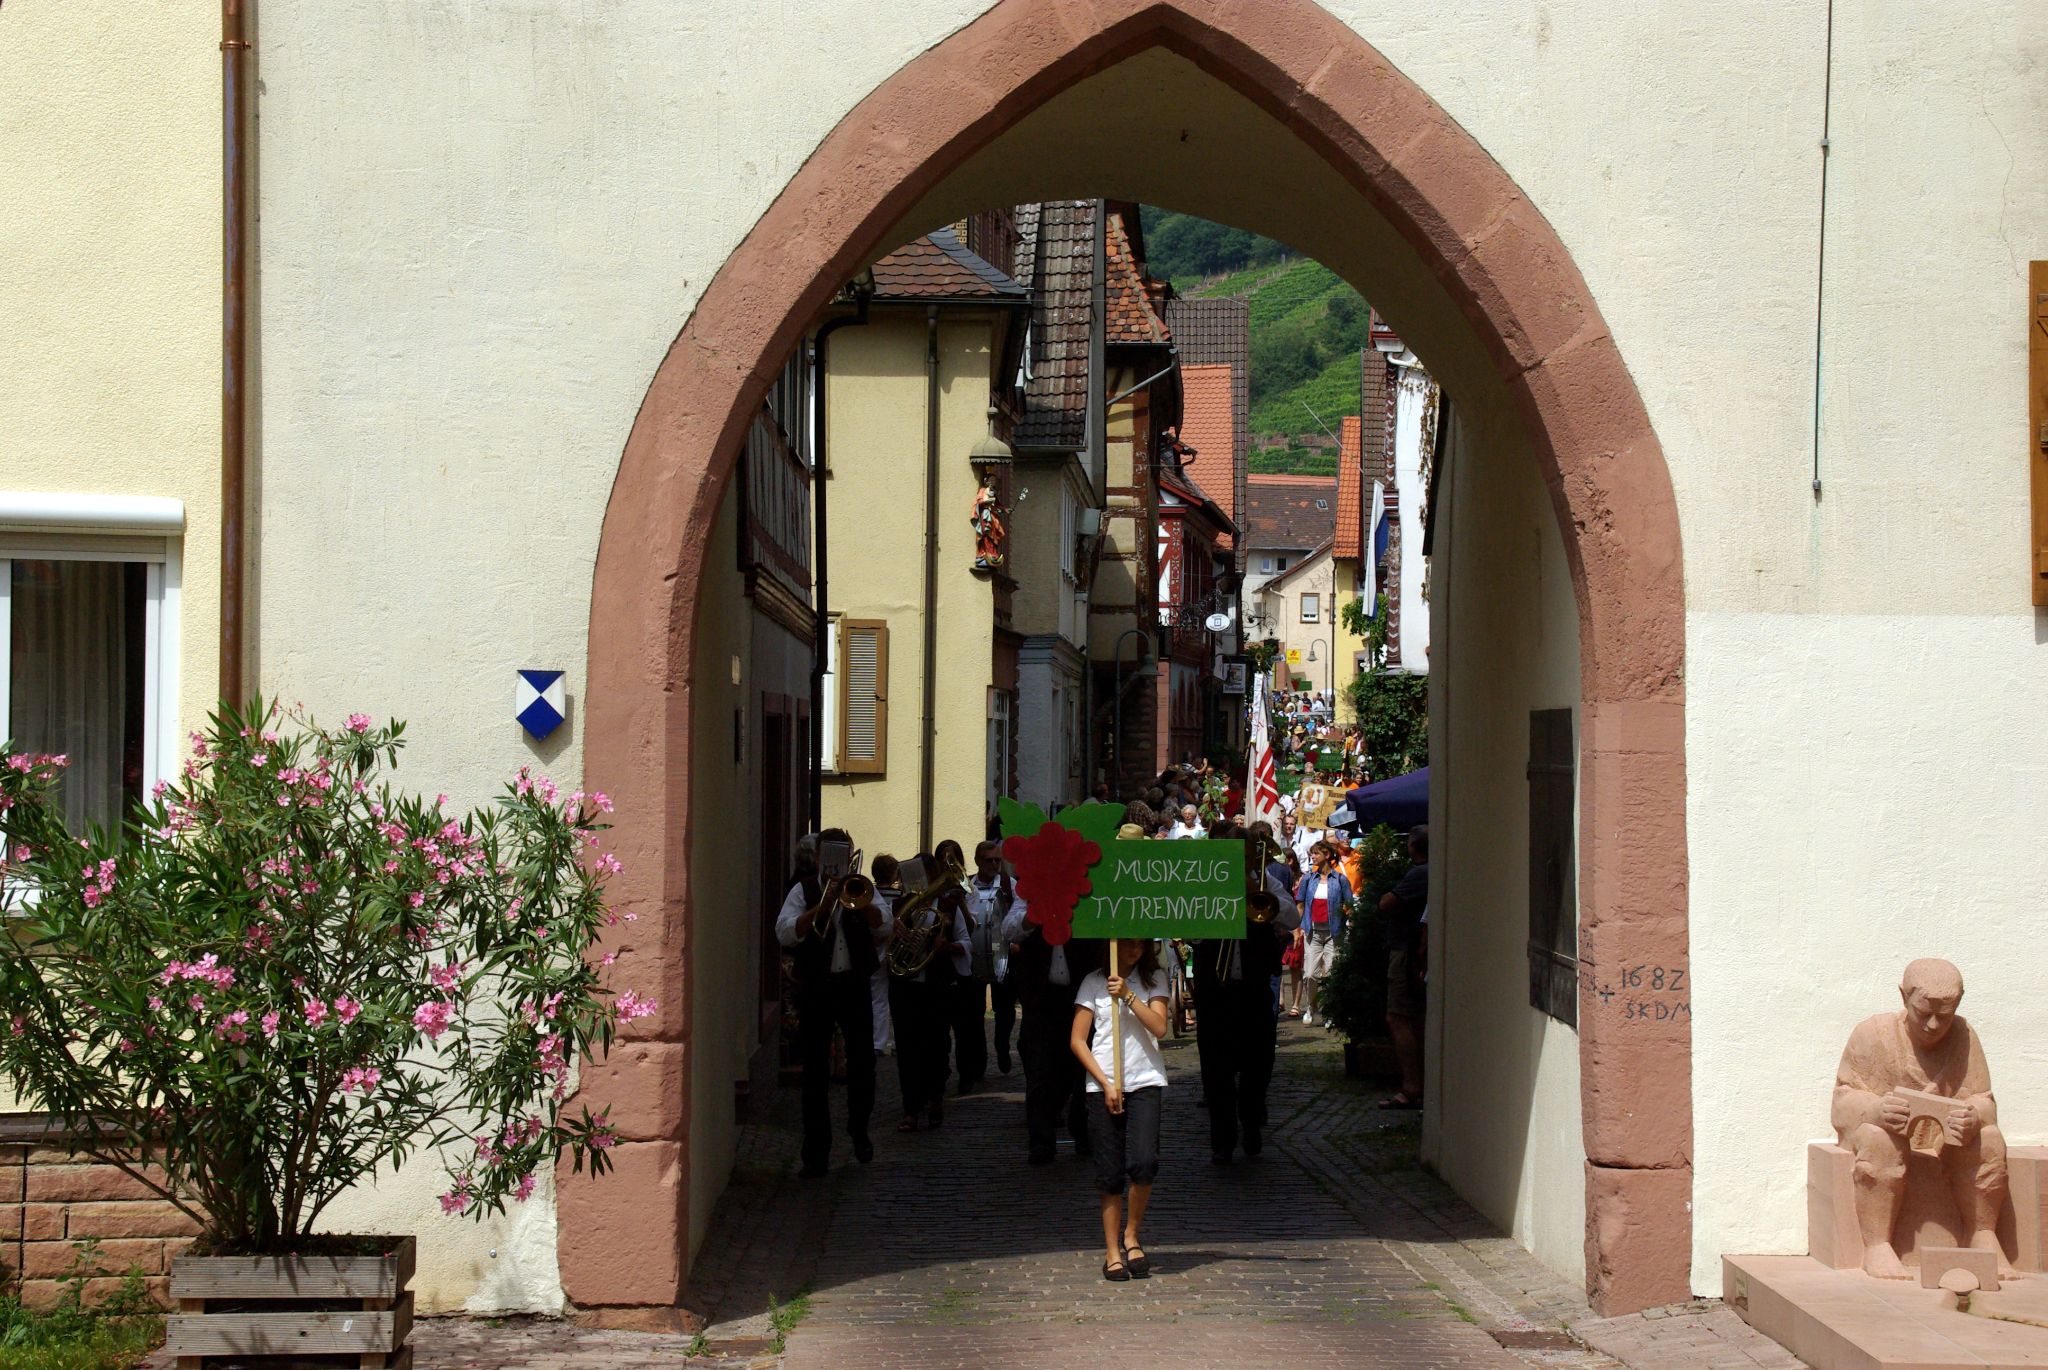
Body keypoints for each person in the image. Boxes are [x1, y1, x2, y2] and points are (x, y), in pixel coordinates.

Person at [1833, 958, 2009, 1279]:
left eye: (1944, 1016)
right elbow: (1843, 1100)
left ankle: (1982, 1231)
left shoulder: (1964, 1038)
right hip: (1886, 1138)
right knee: (1878, 1139)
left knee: (1990, 1138)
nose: (1932, 1025)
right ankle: (1877, 1245)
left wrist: (1973, 1116)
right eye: (1923, 1013)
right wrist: (1876, 1110)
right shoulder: (1872, 1035)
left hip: (1944, 1142)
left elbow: (1984, 1101)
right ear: (1904, 998)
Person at [775, 830, 882, 1175]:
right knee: (815, 1071)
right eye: (830, 856)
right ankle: (816, 1152)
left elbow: (885, 926)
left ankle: (859, 1129)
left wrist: (860, 904)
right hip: (817, 987)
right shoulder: (803, 889)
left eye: (843, 855)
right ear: (819, 858)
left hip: (854, 985)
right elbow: (784, 931)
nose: (835, 863)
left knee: (863, 1062)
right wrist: (821, 906)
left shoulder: (861, 886)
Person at [1192, 834, 1299, 1165]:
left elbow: (1293, 920)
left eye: (1245, 857)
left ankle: (1251, 1123)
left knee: (1258, 1065)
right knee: (1216, 1069)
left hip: (1253, 991)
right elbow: (1192, 934)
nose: (1240, 863)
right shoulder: (1204, 886)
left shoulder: (1265, 883)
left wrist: (1256, 891)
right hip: (1215, 993)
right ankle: (1222, 1141)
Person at [1071, 938, 1171, 1281]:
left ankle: (1132, 1235)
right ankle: (1112, 1249)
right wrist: (1104, 1082)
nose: (1134, 950)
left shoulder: (1154, 979)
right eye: (1127, 944)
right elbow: (1077, 1040)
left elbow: (1160, 1026)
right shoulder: (1093, 982)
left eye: (1140, 944)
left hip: (1145, 1079)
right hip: (1104, 1084)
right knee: (1109, 1170)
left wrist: (1129, 995)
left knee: (1144, 1162)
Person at [1006, 901, 1104, 1165]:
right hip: (1042, 1000)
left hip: (1082, 998)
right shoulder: (1029, 893)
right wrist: (1034, 915)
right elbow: (1010, 930)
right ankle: (1041, 1143)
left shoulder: (1084, 892)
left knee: (1084, 1069)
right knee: (1039, 1072)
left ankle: (1083, 1131)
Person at [888, 852, 967, 1129]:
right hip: (905, 987)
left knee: (937, 1046)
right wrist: (893, 933)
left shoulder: (947, 906)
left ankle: (935, 1098)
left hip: (937, 985)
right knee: (908, 1048)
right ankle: (910, 1109)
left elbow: (964, 943)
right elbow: (885, 946)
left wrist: (946, 947)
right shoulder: (899, 905)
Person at [1378, 826, 1429, 1110]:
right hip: (1412, 950)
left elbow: (1386, 903)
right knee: (1415, 1018)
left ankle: (1411, 1086)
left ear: (1413, 847)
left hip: (1406, 950)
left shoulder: (1419, 873)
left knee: (1398, 1016)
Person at [964, 839, 1017, 1079]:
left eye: (998, 860)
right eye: (989, 860)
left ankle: (1002, 1045)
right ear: (977, 861)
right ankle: (977, 1063)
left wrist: (1015, 941)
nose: (995, 864)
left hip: (1003, 953)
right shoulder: (966, 886)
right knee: (973, 1013)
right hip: (974, 957)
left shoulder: (1010, 884)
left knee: (1004, 1010)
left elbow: (1019, 913)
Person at [1293, 843, 1353, 1027]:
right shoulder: (1309, 879)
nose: (1313, 857)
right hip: (1313, 932)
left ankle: (1330, 1011)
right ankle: (1311, 1006)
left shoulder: (1340, 880)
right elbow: (1300, 904)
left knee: (1330, 974)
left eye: (1316, 853)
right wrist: (1297, 928)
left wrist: (1351, 922)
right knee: (1310, 974)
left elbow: (1349, 905)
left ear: (1326, 855)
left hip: (1334, 933)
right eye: (1312, 854)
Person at [869, 853, 902, 1056]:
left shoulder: (871, 894)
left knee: (877, 996)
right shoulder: (899, 896)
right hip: (894, 948)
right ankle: (897, 1041)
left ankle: (877, 1042)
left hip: (877, 949)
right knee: (896, 998)